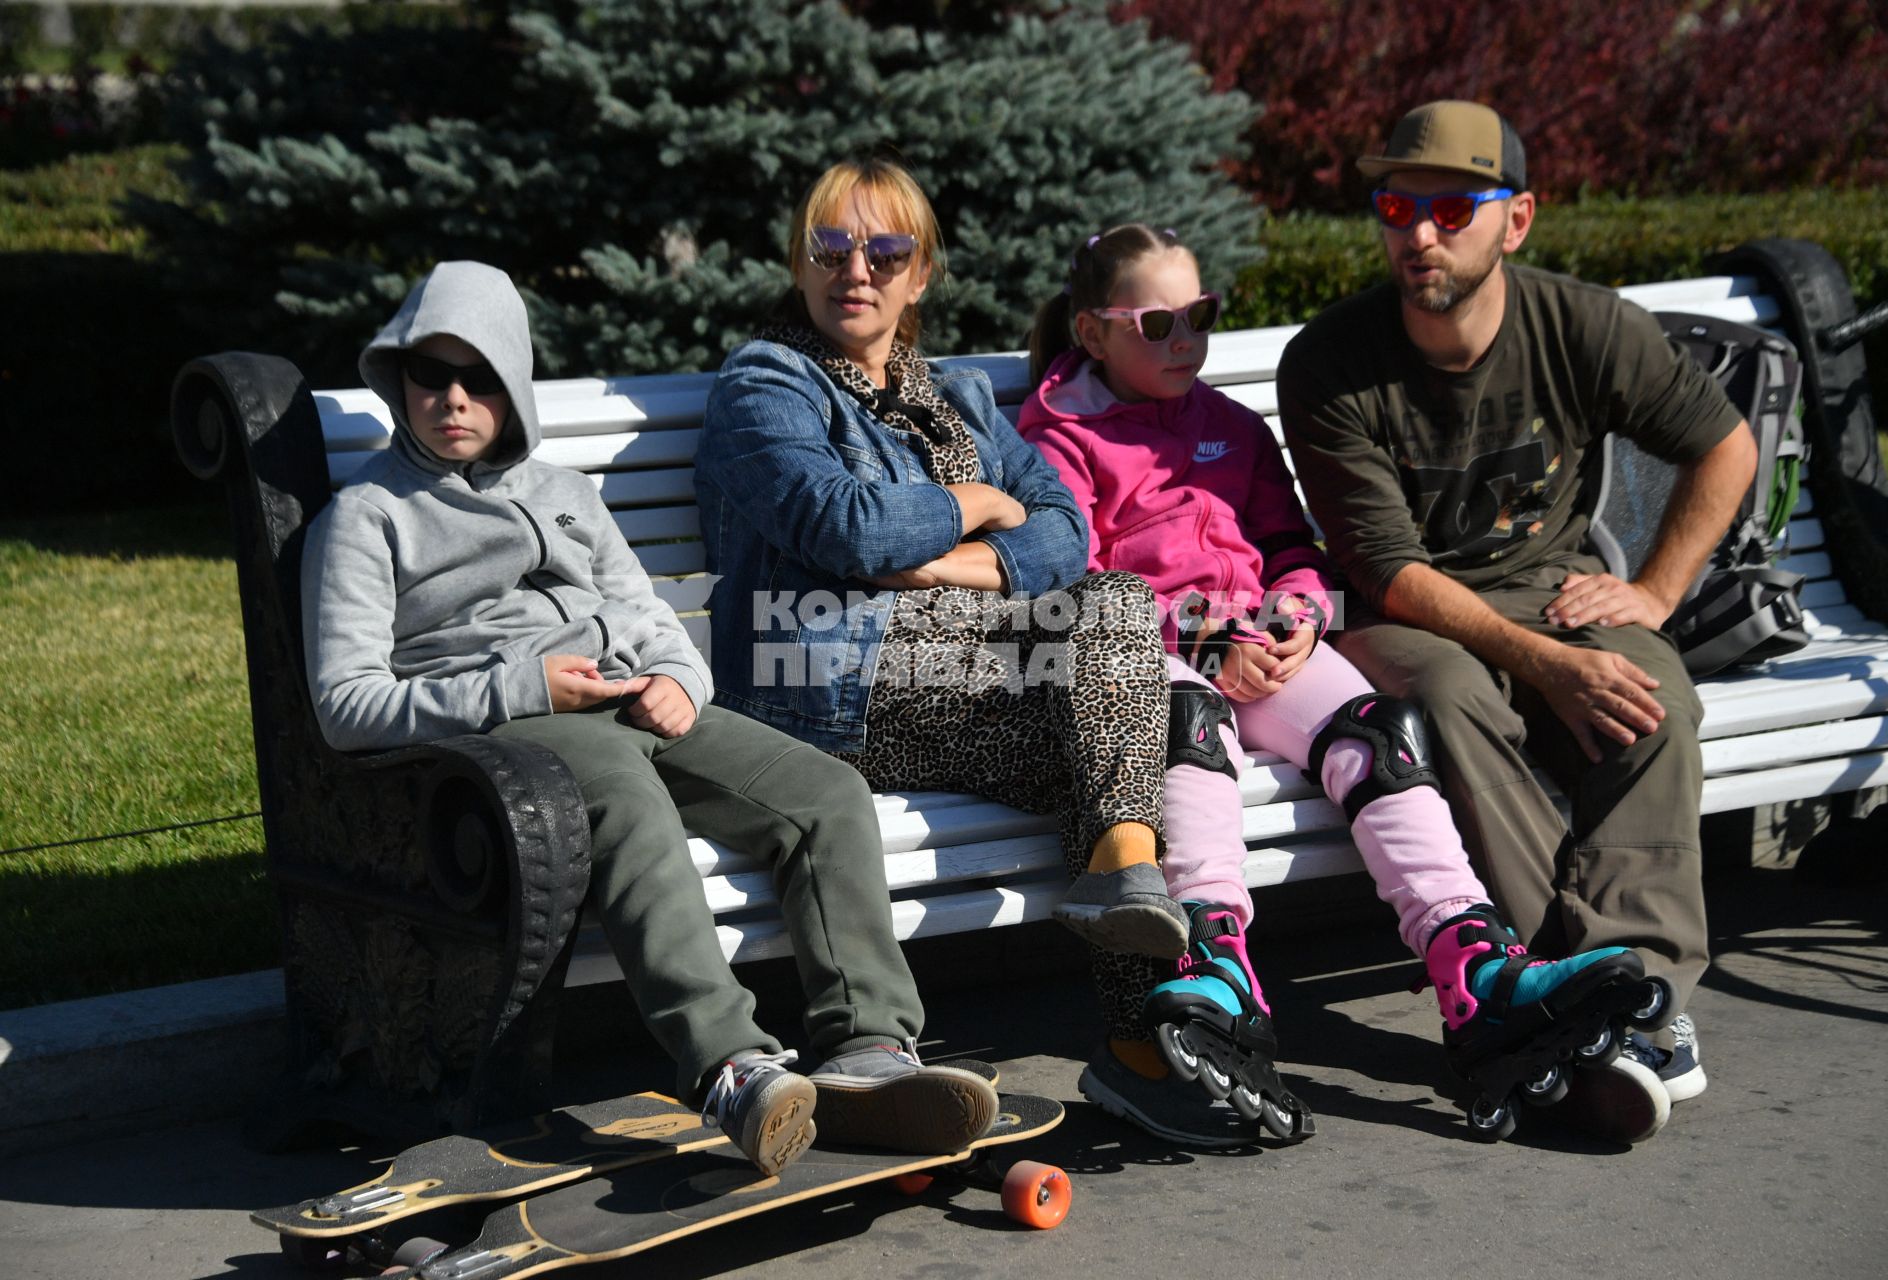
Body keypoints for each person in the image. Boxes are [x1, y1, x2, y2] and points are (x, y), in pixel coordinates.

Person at [300, 260, 998, 1176]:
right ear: (400, 381)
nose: (453, 399)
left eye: (479, 379)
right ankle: (730, 1067)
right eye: (431, 376)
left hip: (630, 700)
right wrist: (526, 689)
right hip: (503, 735)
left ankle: (869, 1050)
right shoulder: (364, 517)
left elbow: (647, 619)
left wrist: (676, 678)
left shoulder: (564, 493)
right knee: (626, 795)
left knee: (823, 793)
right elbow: (346, 706)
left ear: (512, 385)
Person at [1023, 222, 1676, 1145]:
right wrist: (1202, 640)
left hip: (1263, 642)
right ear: (1092, 333)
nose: (1185, 343)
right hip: (1158, 652)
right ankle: (1218, 965)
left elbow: (1294, 547)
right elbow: (1075, 580)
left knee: (1377, 732)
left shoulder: (1229, 426)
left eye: (1200, 317)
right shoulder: (1059, 438)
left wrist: (1298, 612)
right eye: (1158, 322)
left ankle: (1475, 967)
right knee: (1188, 721)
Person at [696, 158, 1254, 1147]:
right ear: (801, 262)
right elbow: (847, 528)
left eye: (886, 250)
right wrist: (978, 506)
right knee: (1121, 709)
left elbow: (1067, 532)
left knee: (1122, 645)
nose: (855, 269)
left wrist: (950, 565)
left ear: (922, 274)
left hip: (973, 672)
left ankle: (1124, 886)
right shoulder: (767, 381)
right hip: (833, 691)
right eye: (831, 248)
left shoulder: (954, 393)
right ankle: (1138, 1044)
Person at [1279, 101, 1756, 1137]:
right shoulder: (1331, 362)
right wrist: (1543, 663)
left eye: (1454, 207)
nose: (1421, 233)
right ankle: (1557, 990)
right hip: (1409, 614)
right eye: (1399, 206)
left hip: (1559, 588)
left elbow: (1725, 445)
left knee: (1652, 694)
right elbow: (1392, 570)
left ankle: (1637, 998)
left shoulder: (1584, 325)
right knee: (1444, 698)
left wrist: (1657, 595)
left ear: (1519, 218)